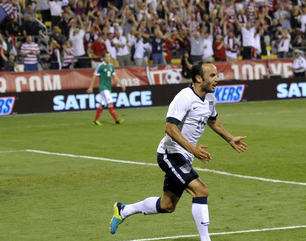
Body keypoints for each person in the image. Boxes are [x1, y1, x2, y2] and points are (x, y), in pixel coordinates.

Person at [109, 61, 248, 240]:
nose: (217, 79)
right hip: (170, 154)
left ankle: (123, 210)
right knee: (201, 191)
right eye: (212, 76)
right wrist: (193, 149)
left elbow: (212, 120)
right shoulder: (184, 97)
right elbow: (170, 127)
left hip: (185, 156)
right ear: (199, 78)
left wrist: (230, 138)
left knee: (167, 205)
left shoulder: (210, 98)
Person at [86, 52, 126, 125]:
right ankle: (116, 120)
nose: (108, 58)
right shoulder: (100, 66)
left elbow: (115, 76)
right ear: (104, 58)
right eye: (106, 57)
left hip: (108, 87)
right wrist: (90, 87)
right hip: (103, 87)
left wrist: (121, 84)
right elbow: (94, 76)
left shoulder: (111, 66)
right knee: (110, 102)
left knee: (103, 103)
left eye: (109, 56)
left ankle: (95, 120)